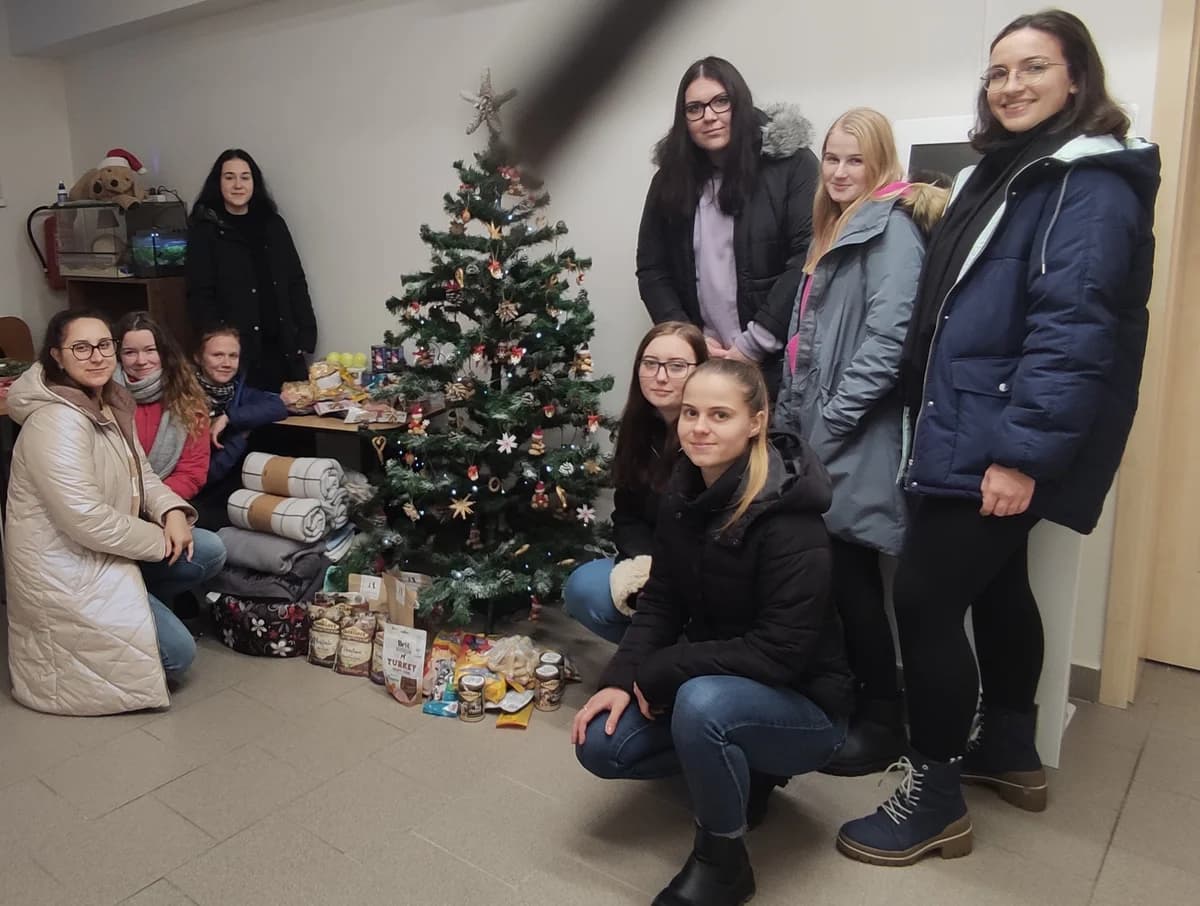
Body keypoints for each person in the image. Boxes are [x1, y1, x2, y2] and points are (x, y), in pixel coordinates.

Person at [837, 9, 1160, 865]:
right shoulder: (1015, 170)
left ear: (1077, 81)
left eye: (1033, 69)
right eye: (997, 71)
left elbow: (1074, 330)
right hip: (973, 423)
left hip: (996, 435)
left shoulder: (1087, 182)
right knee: (997, 585)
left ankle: (933, 799)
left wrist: (1020, 455)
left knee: (926, 602)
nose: (1010, 85)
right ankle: (1011, 749)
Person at [573, 359, 854, 906]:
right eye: (691, 413)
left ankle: (723, 862)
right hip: (727, 675)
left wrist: (662, 672)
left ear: (756, 421)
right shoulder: (685, 493)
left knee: (703, 703)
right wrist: (620, 676)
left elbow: (781, 653)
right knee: (603, 746)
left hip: (806, 706)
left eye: (719, 415)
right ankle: (738, 770)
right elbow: (662, 601)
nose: (699, 427)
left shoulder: (791, 522)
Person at [775, 109, 948, 776]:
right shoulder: (834, 227)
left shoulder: (892, 231)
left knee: (853, 581)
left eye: (856, 160)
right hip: (817, 433)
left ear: (881, 164)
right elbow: (804, 345)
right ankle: (844, 703)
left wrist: (830, 423)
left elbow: (886, 346)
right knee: (828, 577)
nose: (842, 171)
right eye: (833, 159)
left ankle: (883, 718)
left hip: (852, 436)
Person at [3, 310, 228, 715]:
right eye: (81, 347)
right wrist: (160, 540)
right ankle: (130, 617)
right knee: (178, 657)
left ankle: (138, 605)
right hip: (68, 570)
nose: (97, 356)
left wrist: (173, 513)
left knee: (207, 548)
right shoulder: (57, 421)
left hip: (103, 550)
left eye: (104, 345)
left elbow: (141, 472)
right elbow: (86, 520)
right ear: (57, 356)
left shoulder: (102, 403)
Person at [636, 56, 817, 397]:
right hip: (700, 365)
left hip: (777, 366)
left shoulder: (792, 166)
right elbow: (652, 270)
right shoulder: (668, 180)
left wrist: (755, 343)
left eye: (721, 101)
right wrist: (688, 341)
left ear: (740, 103)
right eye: (695, 108)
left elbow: (807, 257)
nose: (709, 116)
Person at [562, 321, 707, 643]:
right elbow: (627, 516)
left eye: (677, 366)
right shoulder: (639, 429)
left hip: (703, 576)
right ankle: (652, 655)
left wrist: (669, 580)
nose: (660, 376)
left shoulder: (709, 437)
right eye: (650, 363)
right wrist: (644, 569)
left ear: (701, 371)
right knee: (584, 587)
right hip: (653, 563)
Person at [186, 148, 318, 390]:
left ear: (254, 183)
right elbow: (200, 294)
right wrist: (217, 345)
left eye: (245, 177)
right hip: (236, 354)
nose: (238, 185)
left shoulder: (273, 224)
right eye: (229, 177)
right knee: (246, 420)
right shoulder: (205, 230)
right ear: (218, 183)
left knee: (292, 420)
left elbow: (295, 280)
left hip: (282, 348)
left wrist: (306, 334)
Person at [191, 326, 289, 528]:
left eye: (233, 356)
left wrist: (229, 417)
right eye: (217, 355)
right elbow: (202, 475)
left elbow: (278, 406)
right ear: (198, 358)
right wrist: (240, 435)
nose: (226, 363)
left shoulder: (237, 391)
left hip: (230, 489)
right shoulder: (184, 397)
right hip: (197, 496)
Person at [115, 312, 211, 500]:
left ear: (164, 352)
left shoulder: (189, 401)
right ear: (117, 355)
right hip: (111, 504)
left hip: (166, 503)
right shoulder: (101, 395)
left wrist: (151, 503)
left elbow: (192, 473)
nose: (141, 361)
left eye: (150, 350)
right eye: (130, 352)